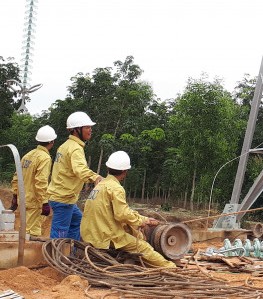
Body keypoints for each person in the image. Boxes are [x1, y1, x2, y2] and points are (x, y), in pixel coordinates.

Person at [81, 151, 176, 268]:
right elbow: (122, 215)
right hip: (105, 236)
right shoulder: (116, 188)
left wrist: (145, 219)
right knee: (143, 247)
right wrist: (142, 222)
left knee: (136, 233)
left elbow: (119, 213)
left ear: (107, 167)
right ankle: (170, 268)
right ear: (125, 172)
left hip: (91, 233)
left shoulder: (100, 185)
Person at [47, 111, 103, 240]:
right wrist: (96, 177)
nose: (90, 130)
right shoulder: (75, 149)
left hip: (63, 197)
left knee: (78, 221)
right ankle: (56, 257)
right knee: (60, 233)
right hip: (63, 199)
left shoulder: (65, 146)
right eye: (87, 127)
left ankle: (71, 255)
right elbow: (81, 170)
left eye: (90, 127)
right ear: (76, 130)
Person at [10, 125, 56, 236]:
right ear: (52, 141)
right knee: (32, 234)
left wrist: (15, 196)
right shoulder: (44, 157)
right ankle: (26, 253)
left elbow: (16, 177)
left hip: (23, 200)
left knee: (24, 229)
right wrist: (44, 202)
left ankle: (20, 251)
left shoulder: (27, 155)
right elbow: (41, 181)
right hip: (35, 202)